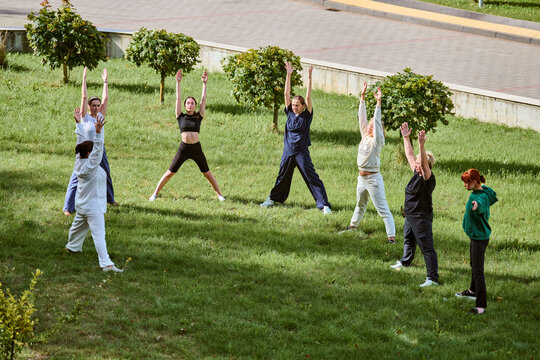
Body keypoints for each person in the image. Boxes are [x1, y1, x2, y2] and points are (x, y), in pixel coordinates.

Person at [260, 63, 332, 214]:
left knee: (311, 177)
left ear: (303, 106)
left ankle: (324, 205)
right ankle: (272, 199)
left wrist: (310, 77)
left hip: (301, 152)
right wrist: (288, 74)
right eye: (293, 105)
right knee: (282, 176)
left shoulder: (307, 115)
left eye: (297, 105)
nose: (294, 107)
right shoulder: (290, 114)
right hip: (288, 151)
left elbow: (308, 96)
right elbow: (286, 94)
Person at [149, 69, 224, 202]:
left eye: (192, 103)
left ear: (195, 106)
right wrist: (178, 82)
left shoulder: (199, 116)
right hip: (183, 149)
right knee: (170, 173)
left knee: (207, 173)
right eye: (188, 103)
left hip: (196, 149)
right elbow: (177, 98)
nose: (190, 105)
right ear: (185, 105)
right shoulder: (180, 116)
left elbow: (203, 99)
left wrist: (204, 84)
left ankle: (219, 195)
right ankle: (155, 194)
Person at [65, 113, 123, 272]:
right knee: (99, 235)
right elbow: (97, 150)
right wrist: (98, 132)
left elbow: (81, 142)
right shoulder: (91, 166)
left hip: (82, 204)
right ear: (90, 154)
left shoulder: (79, 159)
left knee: (78, 226)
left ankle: (72, 246)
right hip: (93, 206)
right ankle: (107, 264)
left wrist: (79, 125)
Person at [340, 83, 395, 242]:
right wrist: (362, 98)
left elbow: (377, 123)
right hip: (362, 179)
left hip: (373, 180)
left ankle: (391, 238)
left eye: (373, 124)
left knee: (383, 210)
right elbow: (362, 119)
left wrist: (378, 104)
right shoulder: (365, 137)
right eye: (370, 124)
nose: (370, 125)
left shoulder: (377, 142)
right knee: (360, 204)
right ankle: (352, 227)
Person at [390, 123, 438, 287]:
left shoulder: (427, 178)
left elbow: (423, 164)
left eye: (419, 162)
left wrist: (421, 144)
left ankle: (432, 278)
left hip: (421, 217)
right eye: (417, 162)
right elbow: (410, 156)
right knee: (408, 240)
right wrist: (406, 138)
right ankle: (405, 262)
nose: (416, 164)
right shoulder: (416, 172)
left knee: (427, 248)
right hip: (410, 215)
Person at [63, 67, 117, 215]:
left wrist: (105, 82)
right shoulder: (85, 116)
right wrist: (84, 79)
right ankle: (68, 207)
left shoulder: (100, 116)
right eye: (93, 105)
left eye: (98, 105)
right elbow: (84, 97)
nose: (96, 107)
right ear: (88, 107)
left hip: (99, 148)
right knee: (76, 177)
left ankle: (110, 199)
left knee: (105, 173)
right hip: (84, 149)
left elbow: (106, 99)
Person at [456, 169, 497, 315]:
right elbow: (484, 192)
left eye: (467, 183)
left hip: (480, 239)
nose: (465, 185)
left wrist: (476, 205)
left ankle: (480, 307)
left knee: (478, 271)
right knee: (474, 264)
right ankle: (472, 291)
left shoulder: (481, 198)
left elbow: (480, 203)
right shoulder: (481, 190)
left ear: (474, 182)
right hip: (476, 236)